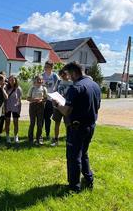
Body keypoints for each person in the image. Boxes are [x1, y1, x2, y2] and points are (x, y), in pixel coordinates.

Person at [54, 62, 101, 192]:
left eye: (69, 74)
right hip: (90, 126)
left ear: (74, 73)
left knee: (74, 156)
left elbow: (66, 111)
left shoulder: (75, 88)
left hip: (77, 127)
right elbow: (97, 106)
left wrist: (57, 104)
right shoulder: (95, 85)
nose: (68, 77)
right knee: (84, 153)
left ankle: (74, 187)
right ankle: (88, 179)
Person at [51, 69, 73, 146]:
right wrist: (54, 98)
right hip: (58, 106)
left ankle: (69, 140)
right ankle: (56, 140)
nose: (63, 76)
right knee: (57, 123)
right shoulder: (59, 81)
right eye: (61, 74)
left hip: (67, 106)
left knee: (68, 124)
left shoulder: (72, 83)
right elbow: (54, 91)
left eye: (64, 74)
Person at [27, 75, 47, 145]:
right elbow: (28, 98)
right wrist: (34, 100)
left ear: (42, 81)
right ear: (35, 81)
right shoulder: (32, 88)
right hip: (33, 106)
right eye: (38, 79)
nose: (39, 81)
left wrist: (41, 100)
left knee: (39, 123)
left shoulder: (44, 88)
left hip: (41, 106)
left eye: (41, 80)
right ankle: (30, 138)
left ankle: (39, 138)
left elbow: (45, 98)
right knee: (32, 123)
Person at [42, 61, 59, 141]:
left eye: (47, 67)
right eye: (45, 67)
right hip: (42, 100)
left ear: (51, 68)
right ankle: (40, 134)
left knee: (47, 118)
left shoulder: (55, 76)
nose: (46, 68)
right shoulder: (42, 75)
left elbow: (59, 86)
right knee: (41, 118)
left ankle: (47, 134)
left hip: (51, 100)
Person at [4, 75, 22, 143]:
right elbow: (5, 99)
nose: (11, 81)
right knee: (7, 122)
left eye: (13, 80)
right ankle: (7, 136)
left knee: (16, 122)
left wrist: (19, 109)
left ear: (15, 81)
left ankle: (16, 137)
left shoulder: (18, 89)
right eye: (10, 80)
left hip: (15, 108)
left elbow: (19, 100)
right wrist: (5, 108)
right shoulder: (6, 88)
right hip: (8, 107)